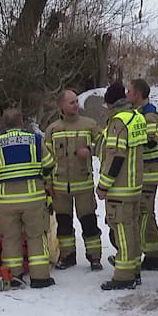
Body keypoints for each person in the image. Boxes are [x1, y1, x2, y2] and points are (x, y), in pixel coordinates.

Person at [0, 108, 56, 288]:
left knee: (10, 238)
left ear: (3, 124)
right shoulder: (35, 139)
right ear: (22, 123)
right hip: (33, 198)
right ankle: (40, 277)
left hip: (6, 202)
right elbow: (50, 163)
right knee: (36, 236)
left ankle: (13, 277)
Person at [44, 90, 104, 271]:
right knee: (64, 223)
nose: (76, 105)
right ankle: (67, 256)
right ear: (61, 106)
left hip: (84, 185)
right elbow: (45, 159)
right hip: (60, 187)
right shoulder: (53, 129)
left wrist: (90, 150)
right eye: (71, 102)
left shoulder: (89, 124)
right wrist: (47, 183)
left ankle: (94, 258)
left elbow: (105, 145)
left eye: (77, 101)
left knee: (89, 222)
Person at [97, 82, 148, 290]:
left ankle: (124, 276)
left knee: (123, 234)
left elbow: (116, 157)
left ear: (110, 104)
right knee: (133, 230)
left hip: (120, 188)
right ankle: (134, 270)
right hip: (135, 186)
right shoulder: (137, 117)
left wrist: (103, 186)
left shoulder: (118, 123)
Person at [126, 78, 158, 272]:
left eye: (129, 91)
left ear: (137, 95)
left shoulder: (150, 116)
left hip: (149, 174)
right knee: (143, 214)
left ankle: (153, 256)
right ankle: (150, 254)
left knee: (145, 215)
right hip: (142, 173)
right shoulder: (139, 113)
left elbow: (150, 140)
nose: (126, 95)